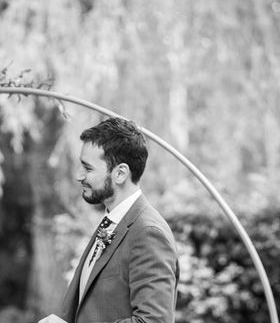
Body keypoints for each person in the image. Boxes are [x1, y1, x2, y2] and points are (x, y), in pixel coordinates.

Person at [39, 117, 179, 323]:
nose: (79, 176)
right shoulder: (112, 221)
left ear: (120, 173)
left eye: (88, 168)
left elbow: (154, 321)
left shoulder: (148, 233)